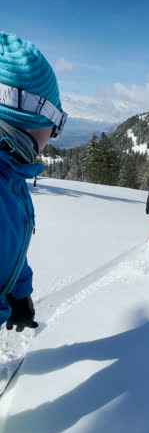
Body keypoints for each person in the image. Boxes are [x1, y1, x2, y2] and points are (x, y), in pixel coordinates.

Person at [0, 32, 67, 332]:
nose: (52, 136)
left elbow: (11, 241)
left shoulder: (10, 175)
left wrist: (18, 293)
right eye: (55, 125)